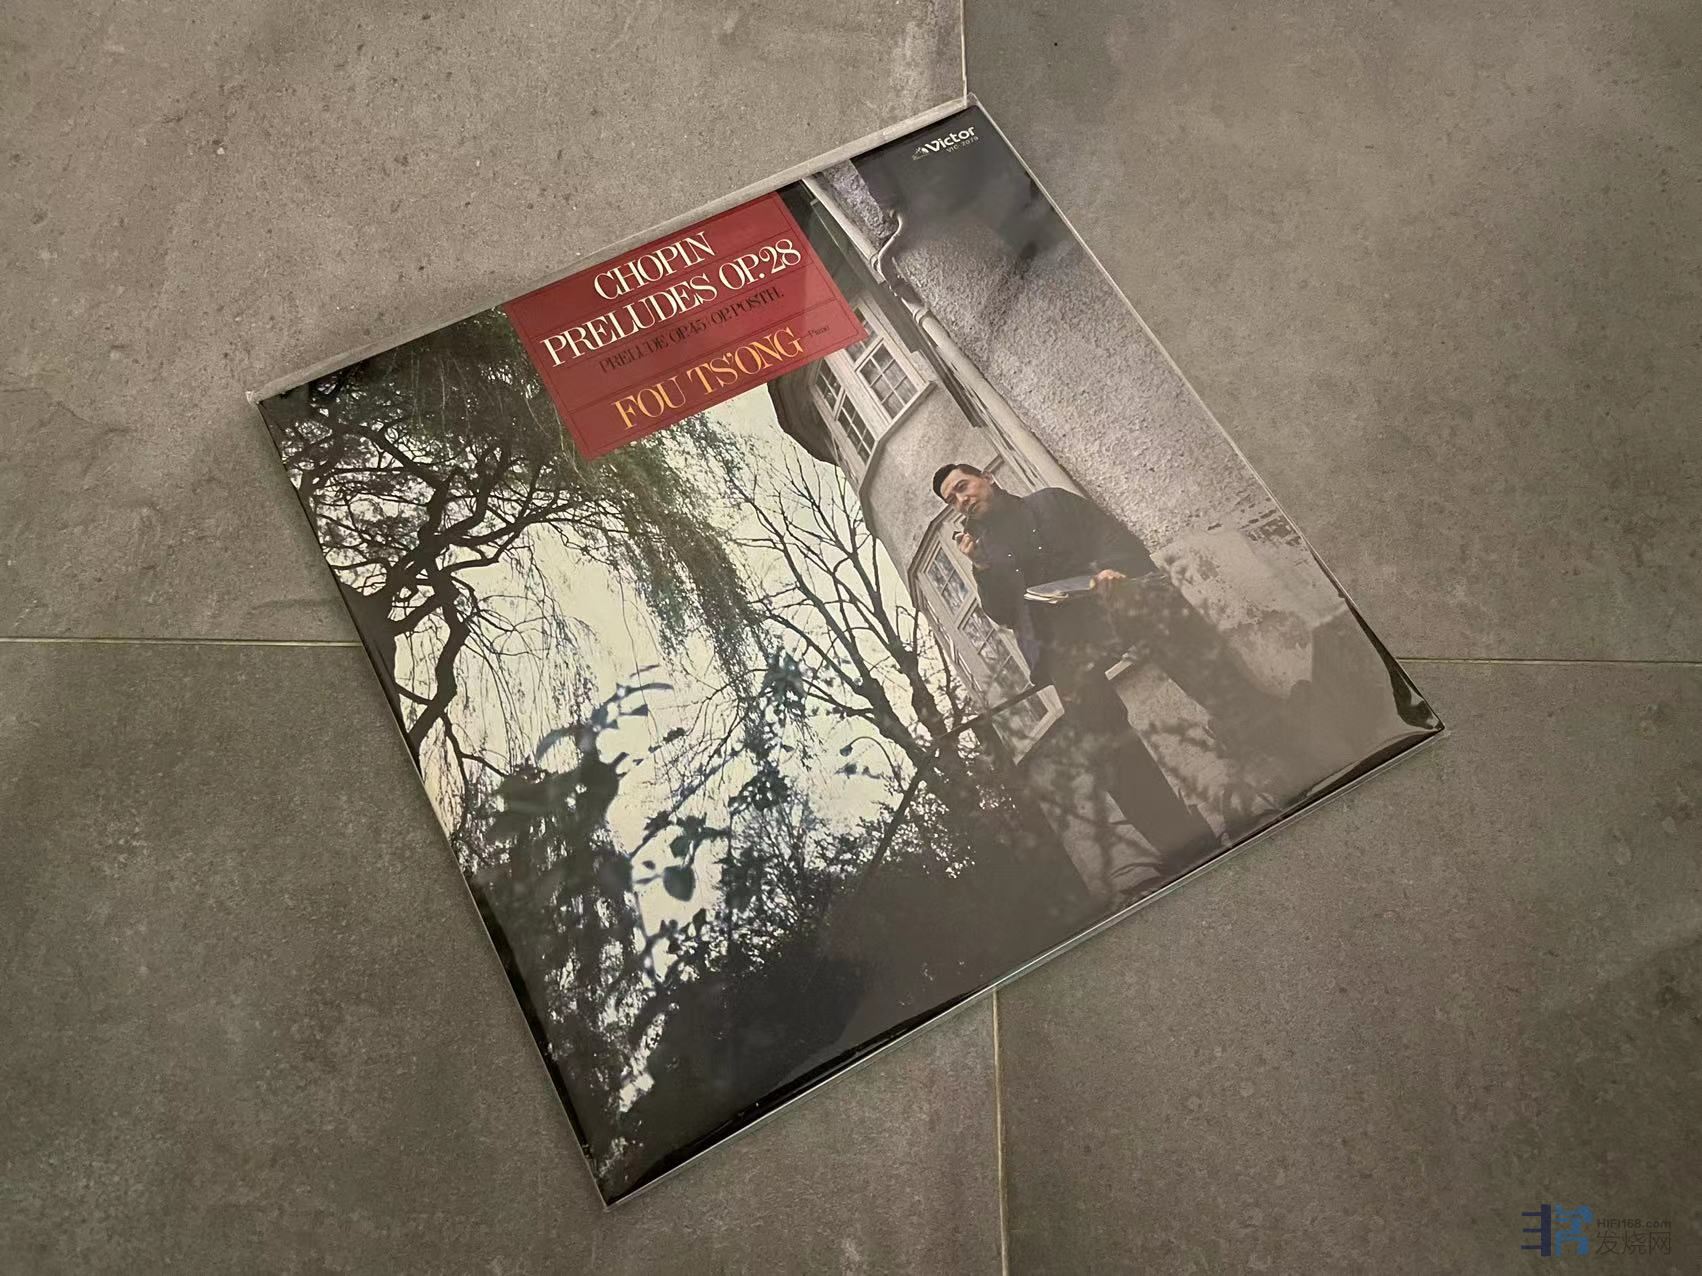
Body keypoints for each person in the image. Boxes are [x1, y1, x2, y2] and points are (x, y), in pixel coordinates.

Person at [932, 462, 1288, 869]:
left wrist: (1114, 569)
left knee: (1168, 623)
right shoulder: (984, 552)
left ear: (988, 478)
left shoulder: (1050, 503)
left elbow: (1109, 534)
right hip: (1061, 641)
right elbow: (1003, 613)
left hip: (1106, 603)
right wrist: (982, 568)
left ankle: (1262, 730)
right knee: (1100, 737)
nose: (962, 500)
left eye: (963, 486)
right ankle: (1181, 842)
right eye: (953, 500)